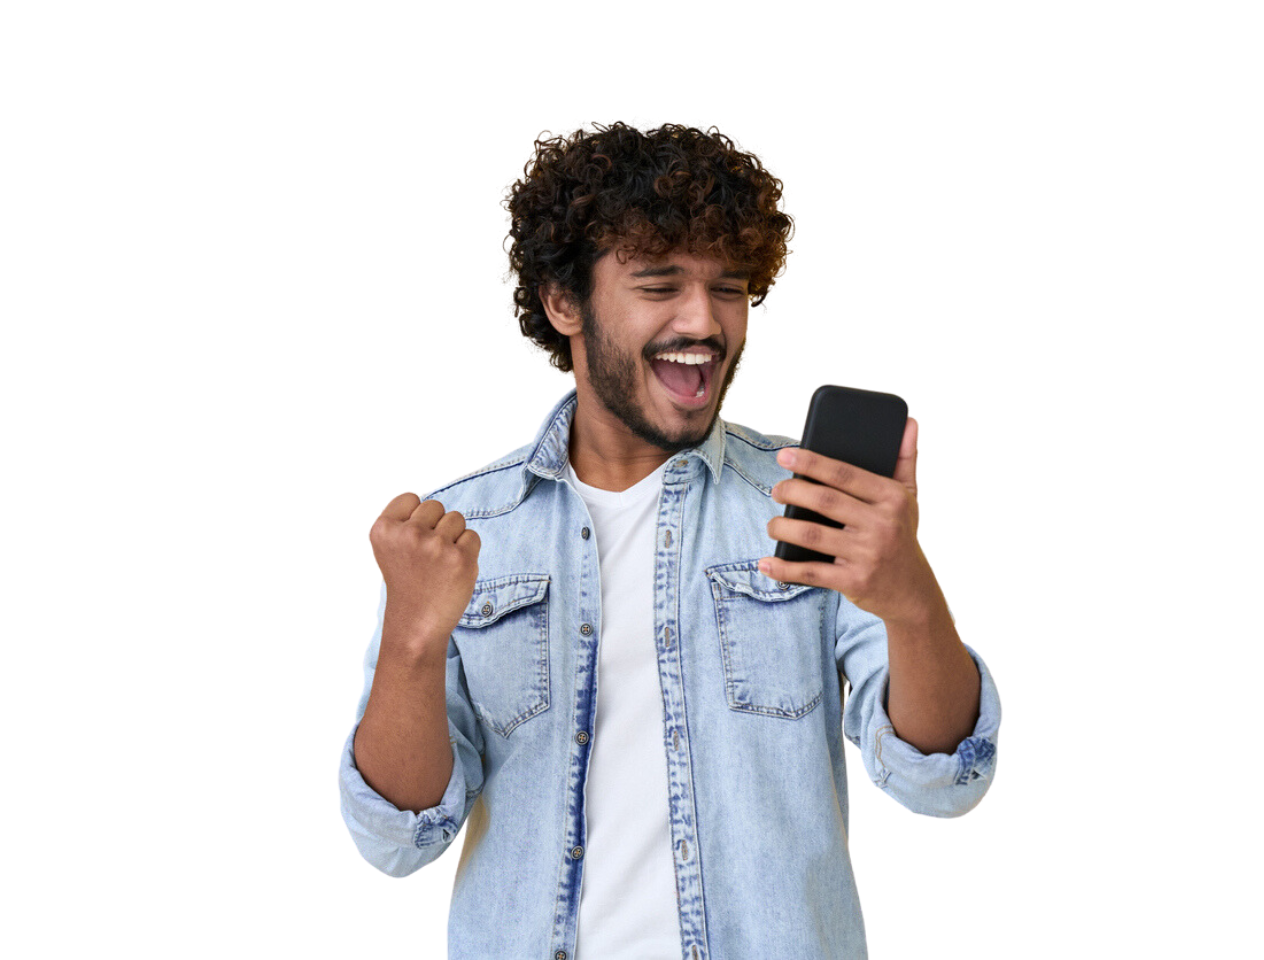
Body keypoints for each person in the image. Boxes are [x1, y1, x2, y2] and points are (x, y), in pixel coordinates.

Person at [339, 122, 1001, 959]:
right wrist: (412, 638)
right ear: (563, 302)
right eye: (660, 285)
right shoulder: (469, 534)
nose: (706, 320)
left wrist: (909, 599)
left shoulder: (810, 502)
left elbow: (942, 778)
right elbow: (398, 840)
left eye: (730, 287)